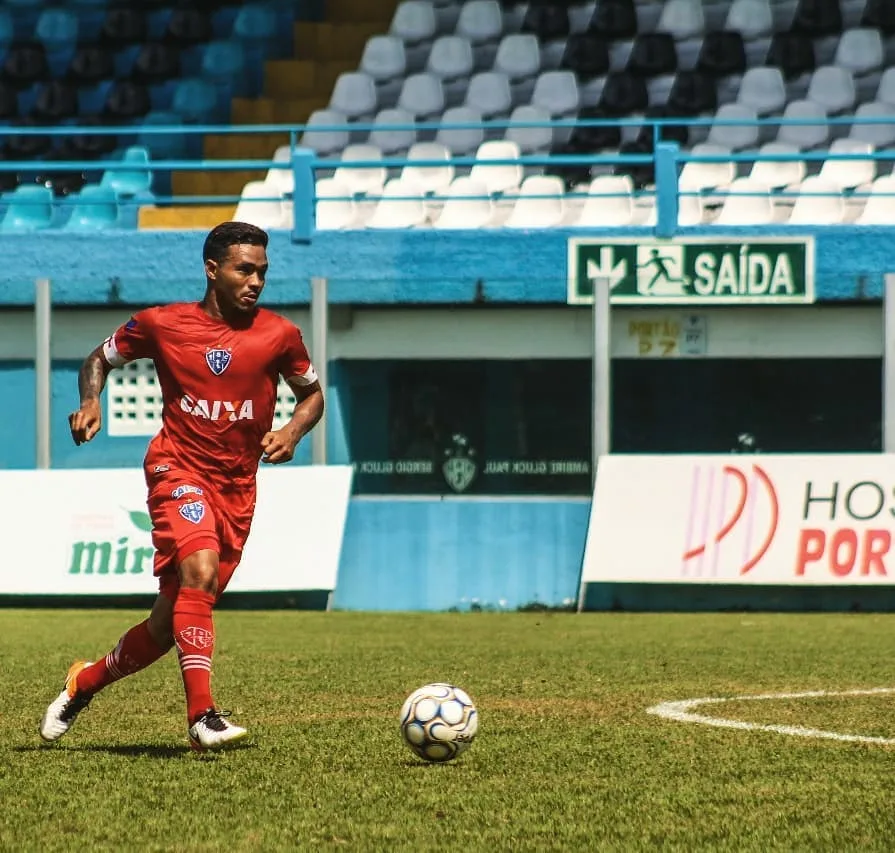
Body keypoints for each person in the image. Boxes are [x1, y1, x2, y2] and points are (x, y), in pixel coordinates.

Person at [39, 222, 324, 751]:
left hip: (237, 488)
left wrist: (291, 430)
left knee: (167, 625)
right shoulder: (162, 324)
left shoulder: (280, 334)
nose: (256, 280)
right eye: (244, 269)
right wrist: (92, 399)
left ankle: (85, 682)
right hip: (177, 468)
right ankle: (203, 718)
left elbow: (313, 395)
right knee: (200, 569)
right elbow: (98, 359)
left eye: (262, 270)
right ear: (212, 270)